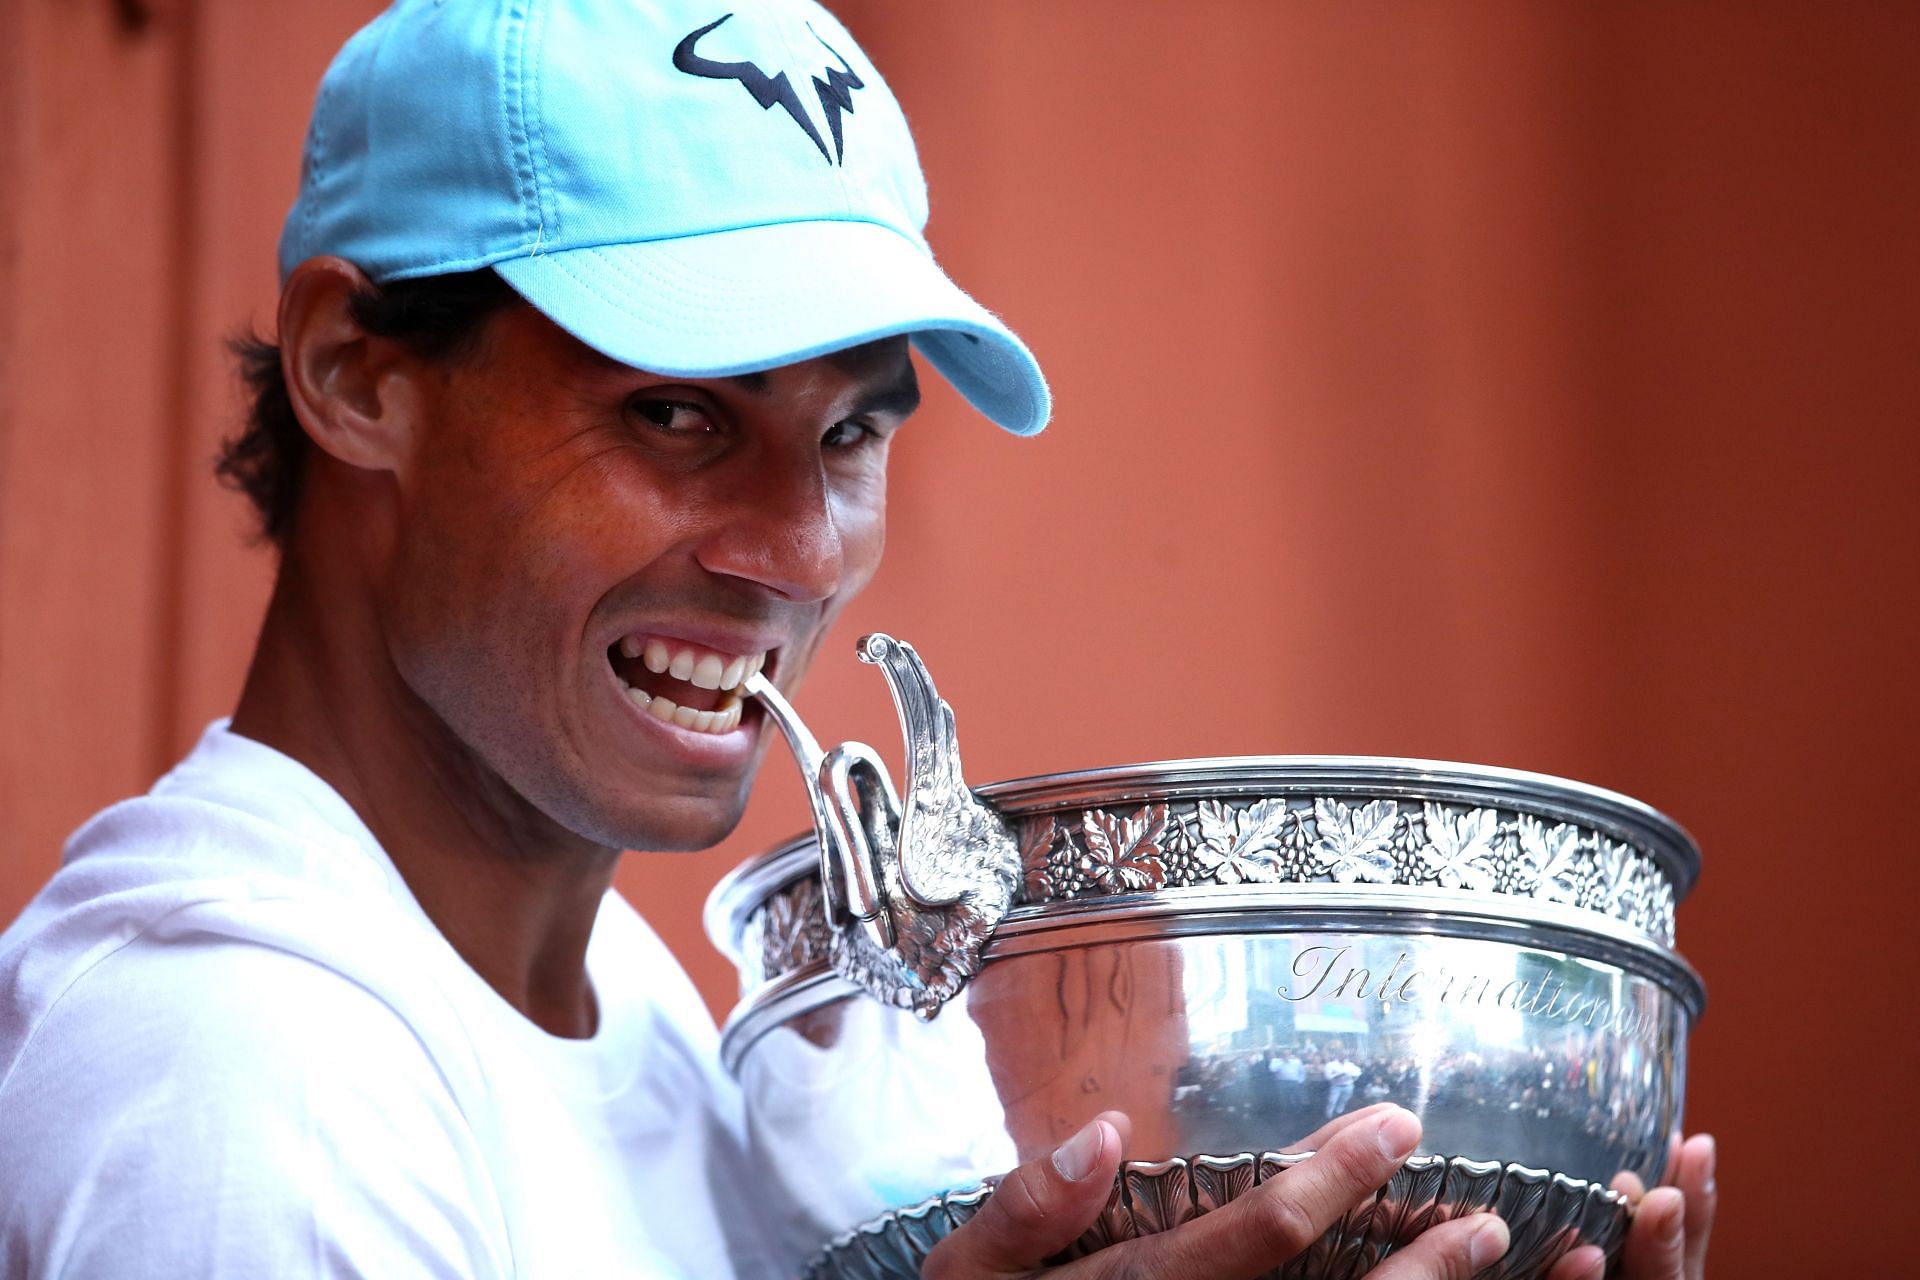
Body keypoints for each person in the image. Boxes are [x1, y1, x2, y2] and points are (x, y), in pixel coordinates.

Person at [0, 1, 1716, 1277]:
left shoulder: (645, 1020)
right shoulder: (246, 1077)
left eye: (851, 433)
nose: (802, 550)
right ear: (357, 376)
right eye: (675, 414)